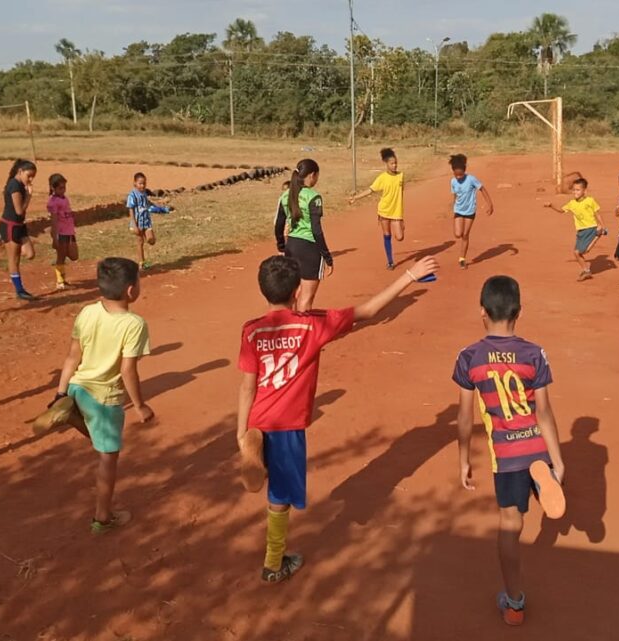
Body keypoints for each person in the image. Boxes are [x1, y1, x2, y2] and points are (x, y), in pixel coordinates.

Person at [236, 254, 440, 583]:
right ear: (297, 292)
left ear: (264, 292)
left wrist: (242, 432)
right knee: (279, 497)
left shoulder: (251, 332)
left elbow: (247, 387)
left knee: (273, 481)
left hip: (259, 420)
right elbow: (368, 311)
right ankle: (274, 563)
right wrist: (409, 276)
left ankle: (252, 449)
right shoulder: (312, 325)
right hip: (288, 426)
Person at [453, 275, 566, 626]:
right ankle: (544, 476)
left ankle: (514, 601)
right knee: (540, 467)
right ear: (519, 311)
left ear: (482, 312)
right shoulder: (534, 353)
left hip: (506, 454)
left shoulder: (470, 357)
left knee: (509, 525)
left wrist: (463, 460)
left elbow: (464, 416)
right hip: (536, 444)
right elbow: (544, 412)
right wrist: (558, 460)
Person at [50, 257, 153, 534]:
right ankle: (102, 517)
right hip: (105, 398)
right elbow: (128, 370)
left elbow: (72, 356)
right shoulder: (134, 324)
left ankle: (68, 410)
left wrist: (60, 392)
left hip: (76, 387)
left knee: (99, 434)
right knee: (109, 457)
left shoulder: (87, 312)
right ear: (131, 290)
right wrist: (140, 406)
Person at [274, 159, 333, 312]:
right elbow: (316, 231)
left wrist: (281, 247)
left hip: (291, 247)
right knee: (306, 299)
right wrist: (327, 256)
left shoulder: (285, 195)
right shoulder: (314, 197)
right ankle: (302, 333)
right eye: (317, 176)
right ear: (312, 175)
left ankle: (289, 329)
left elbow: (278, 225)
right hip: (310, 249)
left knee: (292, 296)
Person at [349, 147, 405, 270]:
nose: (394, 165)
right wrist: (356, 198)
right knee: (387, 235)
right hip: (384, 211)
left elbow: (401, 193)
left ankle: (401, 227)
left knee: (400, 237)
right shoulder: (382, 178)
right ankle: (390, 261)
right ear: (386, 164)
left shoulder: (401, 176)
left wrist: (401, 218)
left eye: (396, 163)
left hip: (396, 212)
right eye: (392, 163)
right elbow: (370, 190)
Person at [544, 176, 604, 281]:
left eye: (578, 190)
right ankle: (586, 270)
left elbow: (597, 214)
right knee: (579, 252)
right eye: (574, 190)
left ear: (584, 191)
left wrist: (601, 225)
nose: (575, 192)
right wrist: (551, 206)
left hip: (590, 228)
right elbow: (561, 210)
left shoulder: (590, 201)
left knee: (578, 252)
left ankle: (586, 270)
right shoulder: (572, 203)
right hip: (580, 231)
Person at [0, 159, 37, 300]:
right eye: (29, 176)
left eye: (33, 176)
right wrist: (29, 196)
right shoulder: (14, 186)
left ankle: (6, 242)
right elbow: (19, 211)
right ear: (20, 172)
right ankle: (19, 290)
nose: (31, 179)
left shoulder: (20, 184)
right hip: (11, 226)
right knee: (14, 260)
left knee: (30, 254)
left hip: (20, 226)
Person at [450, 154, 495, 269]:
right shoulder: (453, 181)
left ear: (464, 171)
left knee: (465, 235)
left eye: (460, 175)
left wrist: (489, 204)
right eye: (456, 175)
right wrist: (454, 205)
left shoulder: (471, 179)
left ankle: (462, 259)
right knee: (457, 234)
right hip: (458, 210)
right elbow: (455, 194)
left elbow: (482, 189)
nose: (458, 177)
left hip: (470, 211)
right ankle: (461, 254)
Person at [47, 173, 78, 290]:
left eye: (64, 187)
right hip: (61, 233)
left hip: (70, 232)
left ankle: (62, 278)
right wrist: (55, 237)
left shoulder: (65, 199)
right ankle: (60, 281)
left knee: (74, 256)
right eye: (60, 188)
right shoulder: (53, 202)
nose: (63, 190)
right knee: (61, 256)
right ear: (53, 188)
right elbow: (54, 221)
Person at [126, 173, 158, 270]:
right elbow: (131, 209)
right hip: (137, 221)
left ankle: (149, 238)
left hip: (146, 221)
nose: (142, 185)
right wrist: (134, 224)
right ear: (135, 183)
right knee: (140, 242)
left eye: (144, 183)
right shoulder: (132, 195)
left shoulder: (144, 193)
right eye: (140, 183)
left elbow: (147, 204)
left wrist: (158, 207)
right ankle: (142, 263)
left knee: (151, 239)